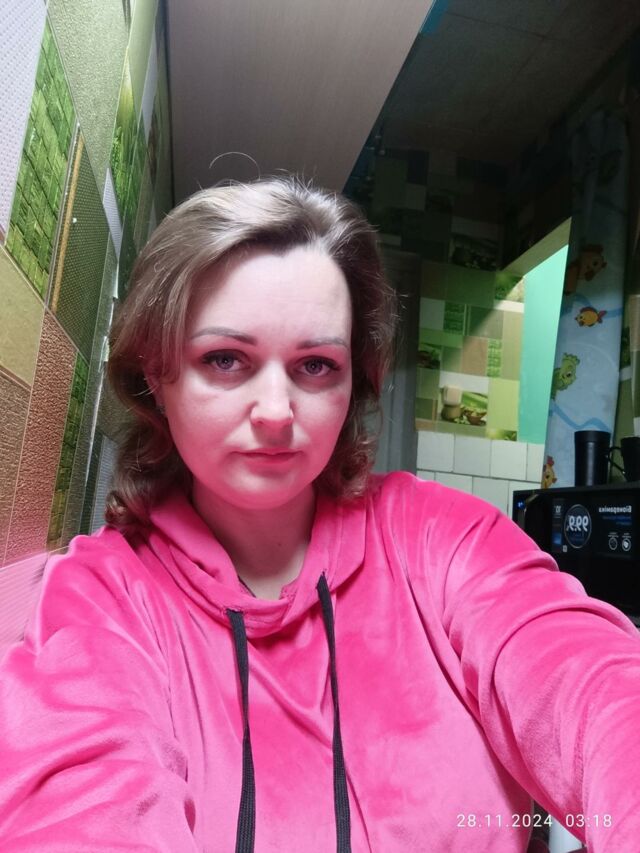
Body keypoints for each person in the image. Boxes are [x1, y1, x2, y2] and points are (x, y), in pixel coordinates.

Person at [0, 176, 639, 853]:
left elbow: (594, 687)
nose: (277, 412)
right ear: (156, 373)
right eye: (225, 359)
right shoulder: (101, 599)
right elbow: (82, 803)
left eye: (315, 365)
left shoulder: (443, 536)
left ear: (353, 380)